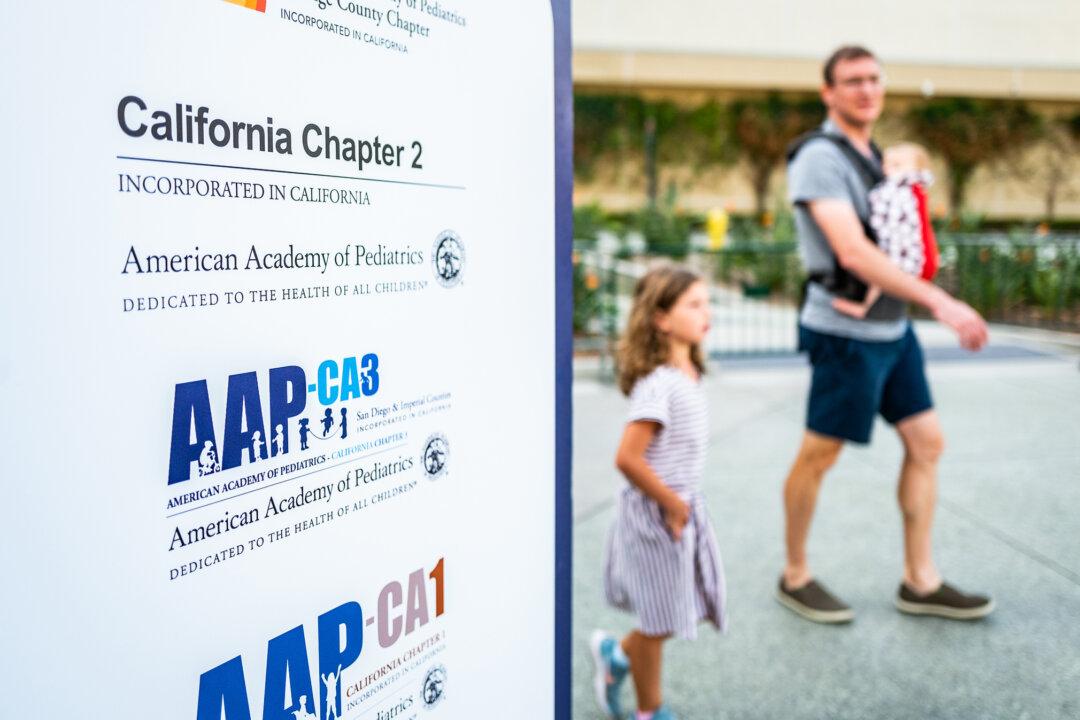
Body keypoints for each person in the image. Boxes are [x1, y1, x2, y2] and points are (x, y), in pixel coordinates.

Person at [778, 45, 993, 624]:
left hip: (892, 330)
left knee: (927, 443)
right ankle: (794, 574)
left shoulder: (876, 156)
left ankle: (920, 582)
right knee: (820, 454)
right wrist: (940, 300)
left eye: (874, 79)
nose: (866, 90)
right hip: (844, 334)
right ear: (829, 93)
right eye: (852, 81)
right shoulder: (820, 158)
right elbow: (851, 250)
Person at [592, 266, 727, 720]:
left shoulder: (689, 372)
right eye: (694, 304)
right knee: (659, 620)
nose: (706, 312)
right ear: (661, 319)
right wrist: (672, 503)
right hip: (655, 516)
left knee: (665, 614)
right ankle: (650, 711)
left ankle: (615, 654)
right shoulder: (660, 385)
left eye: (707, 303)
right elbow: (627, 459)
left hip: (675, 509)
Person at [831, 142, 939, 319]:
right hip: (913, 251)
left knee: (877, 276)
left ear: (916, 168)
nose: (888, 169)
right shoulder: (915, 189)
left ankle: (864, 307)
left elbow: (880, 208)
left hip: (900, 249)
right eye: (887, 164)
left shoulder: (898, 188)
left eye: (897, 165)